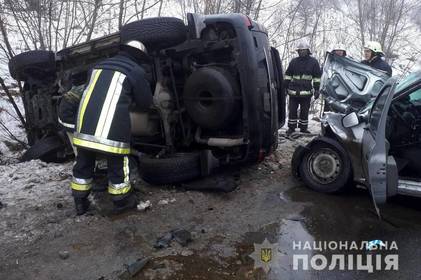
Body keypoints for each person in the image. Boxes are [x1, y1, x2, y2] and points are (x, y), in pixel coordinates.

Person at [70, 40, 153, 215]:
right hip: (111, 125)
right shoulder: (135, 71)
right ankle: (121, 200)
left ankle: (80, 201)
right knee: (118, 161)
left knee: (84, 161)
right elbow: (145, 103)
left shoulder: (96, 67)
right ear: (139, 56)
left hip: (84, 122)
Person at [284, 39, 322, 134]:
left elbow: (317, 77)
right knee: (292, 111)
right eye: (300, 50)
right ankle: (291, 128)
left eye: (303, 50)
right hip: (293, 92)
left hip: (306, 93)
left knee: (304, 112)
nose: (301, 52)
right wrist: (285, 87)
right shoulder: (293, 62)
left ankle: (303, 128)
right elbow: (288, 75)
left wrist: (317, 89)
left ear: (308, 50)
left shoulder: (314, 62)